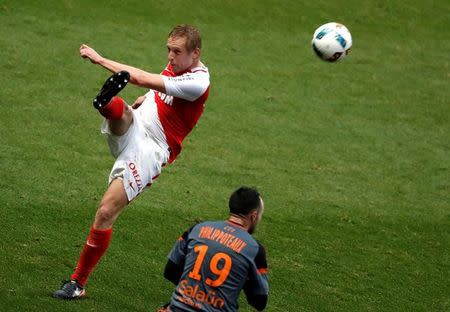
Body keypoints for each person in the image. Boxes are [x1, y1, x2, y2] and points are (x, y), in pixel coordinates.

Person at [53, 24, 210, 299]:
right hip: (138, 122)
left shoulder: (198, 82)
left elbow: (138, 77)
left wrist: (100, 59)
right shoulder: (177, 65)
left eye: (177, 51)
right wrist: (146, 99)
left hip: (152, 148)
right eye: (168, 50)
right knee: (122, 111)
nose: (170, 57)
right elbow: (157, 91)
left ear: (195, 53)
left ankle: (77, 283)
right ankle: (105, 103)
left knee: (105, 212)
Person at [160, 186, 269, 311]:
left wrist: (195, 291)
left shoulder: (197, 229)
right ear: (254, 216)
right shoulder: (254, 249)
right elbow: (260, 301)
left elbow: (170, 270)